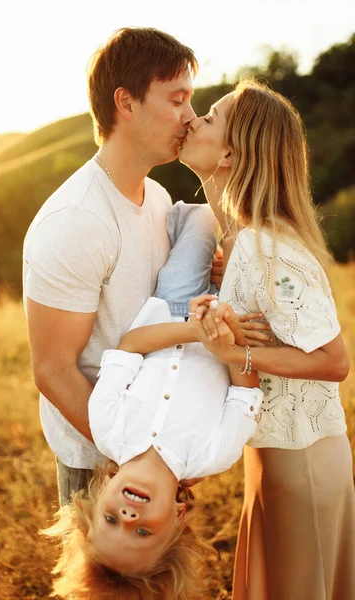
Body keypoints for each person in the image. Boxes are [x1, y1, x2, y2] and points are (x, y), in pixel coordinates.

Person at [179, 79, 354, 600]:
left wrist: (239, 352)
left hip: (300, 466)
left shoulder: (263, 247)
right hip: (280, 460)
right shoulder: (251, 238)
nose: (194, 120)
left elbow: (335, 359)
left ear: (232, 151)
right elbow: (241, 243)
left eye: (209, 117)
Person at [42, 201, 264, 600]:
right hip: (234, 322)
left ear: (104, 487)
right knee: (244, 240)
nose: (129, 517)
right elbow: (246, 391)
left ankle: (183, 213)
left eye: (111, 520)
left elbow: (131, 346)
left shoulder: (108, 428)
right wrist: (226, 337)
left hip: (172, 305)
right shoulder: (213, 454)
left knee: (203, 220)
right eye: (142, 532)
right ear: (177, 518)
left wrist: (196, 332)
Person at [22, 27, 199, 506]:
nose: (191, 116)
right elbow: (54, 370)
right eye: (177, 99)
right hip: (99, 465)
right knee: (102, 584)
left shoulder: (158, 197)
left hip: (156, 451)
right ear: (126, 102)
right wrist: (133, 455)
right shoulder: (76, 220)